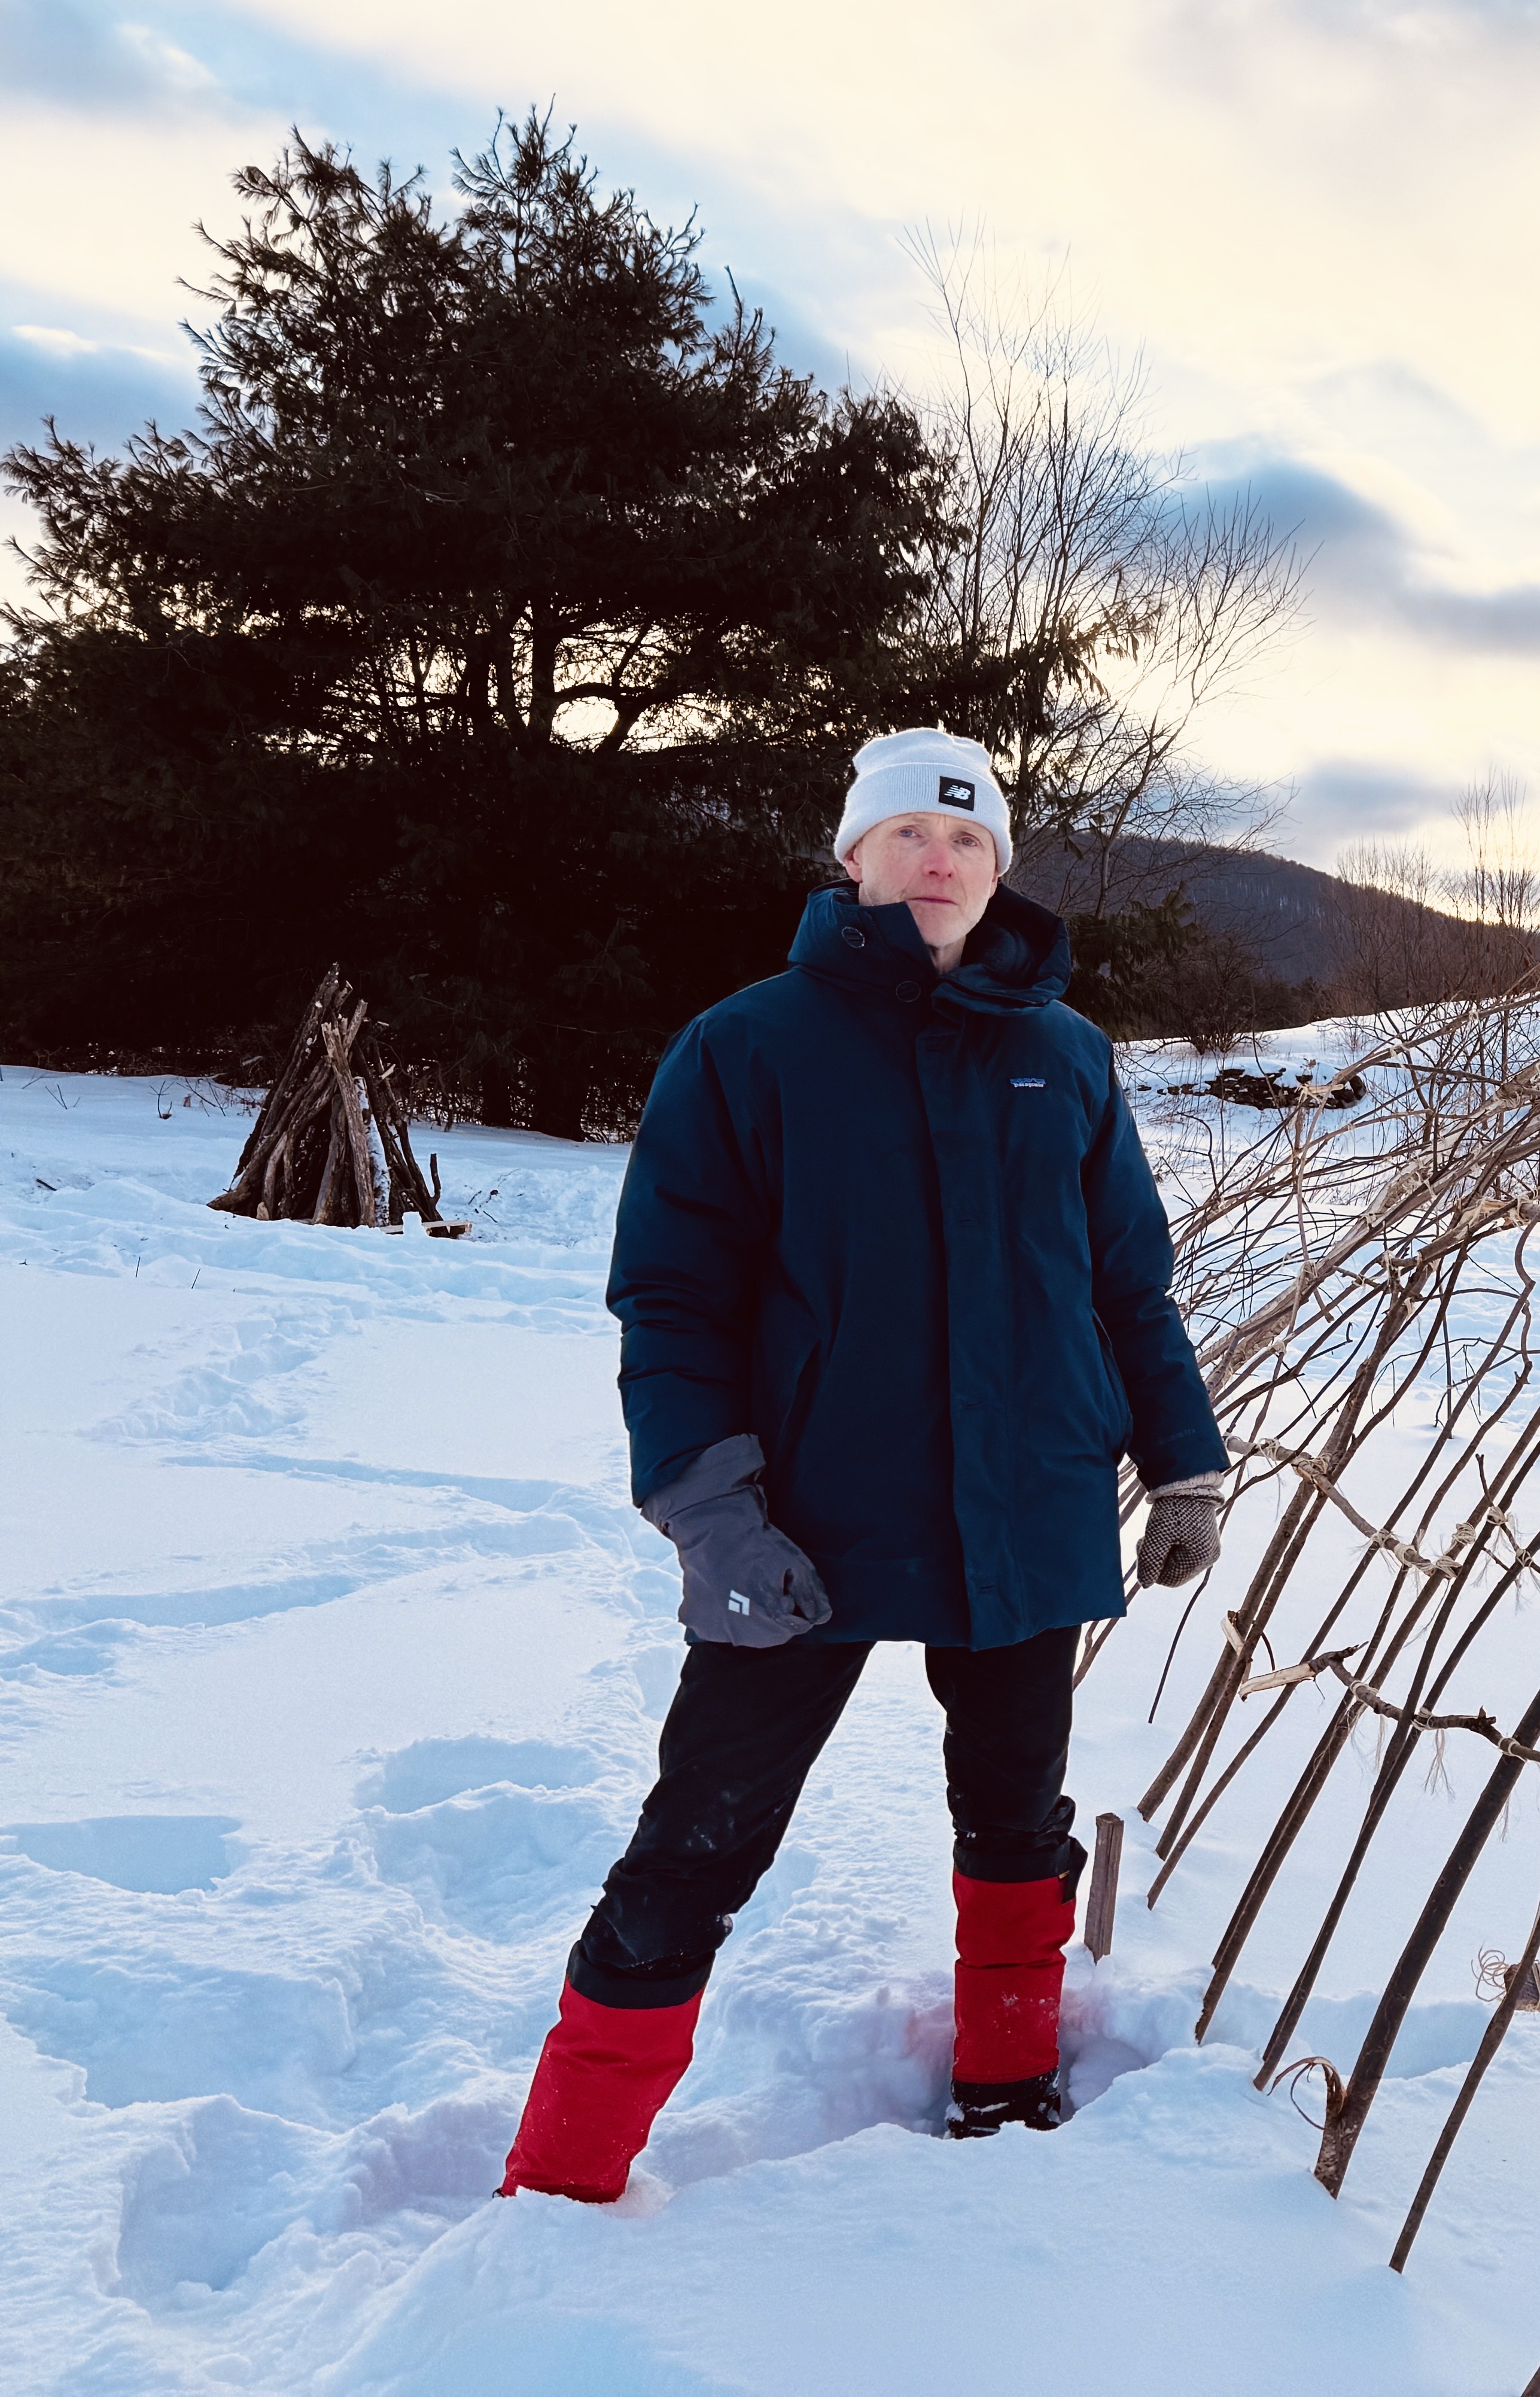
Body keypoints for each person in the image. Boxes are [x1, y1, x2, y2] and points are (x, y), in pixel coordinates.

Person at [499, 726, 1231, 2203]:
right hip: (804, 1526)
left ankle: (1012, 2089)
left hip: (1024, 1505)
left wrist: (1186, 1464)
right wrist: (714, 1515)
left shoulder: (1067, 1055)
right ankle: (564, 2176)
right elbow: (675, 1299)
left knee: (1017, 1815)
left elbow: (1127, 1287)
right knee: (700, 1836)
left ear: (1000, 866)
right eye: (908, 835)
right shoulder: (748, 1044)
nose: (939, 859)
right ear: (853, 858)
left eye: (967, 840)